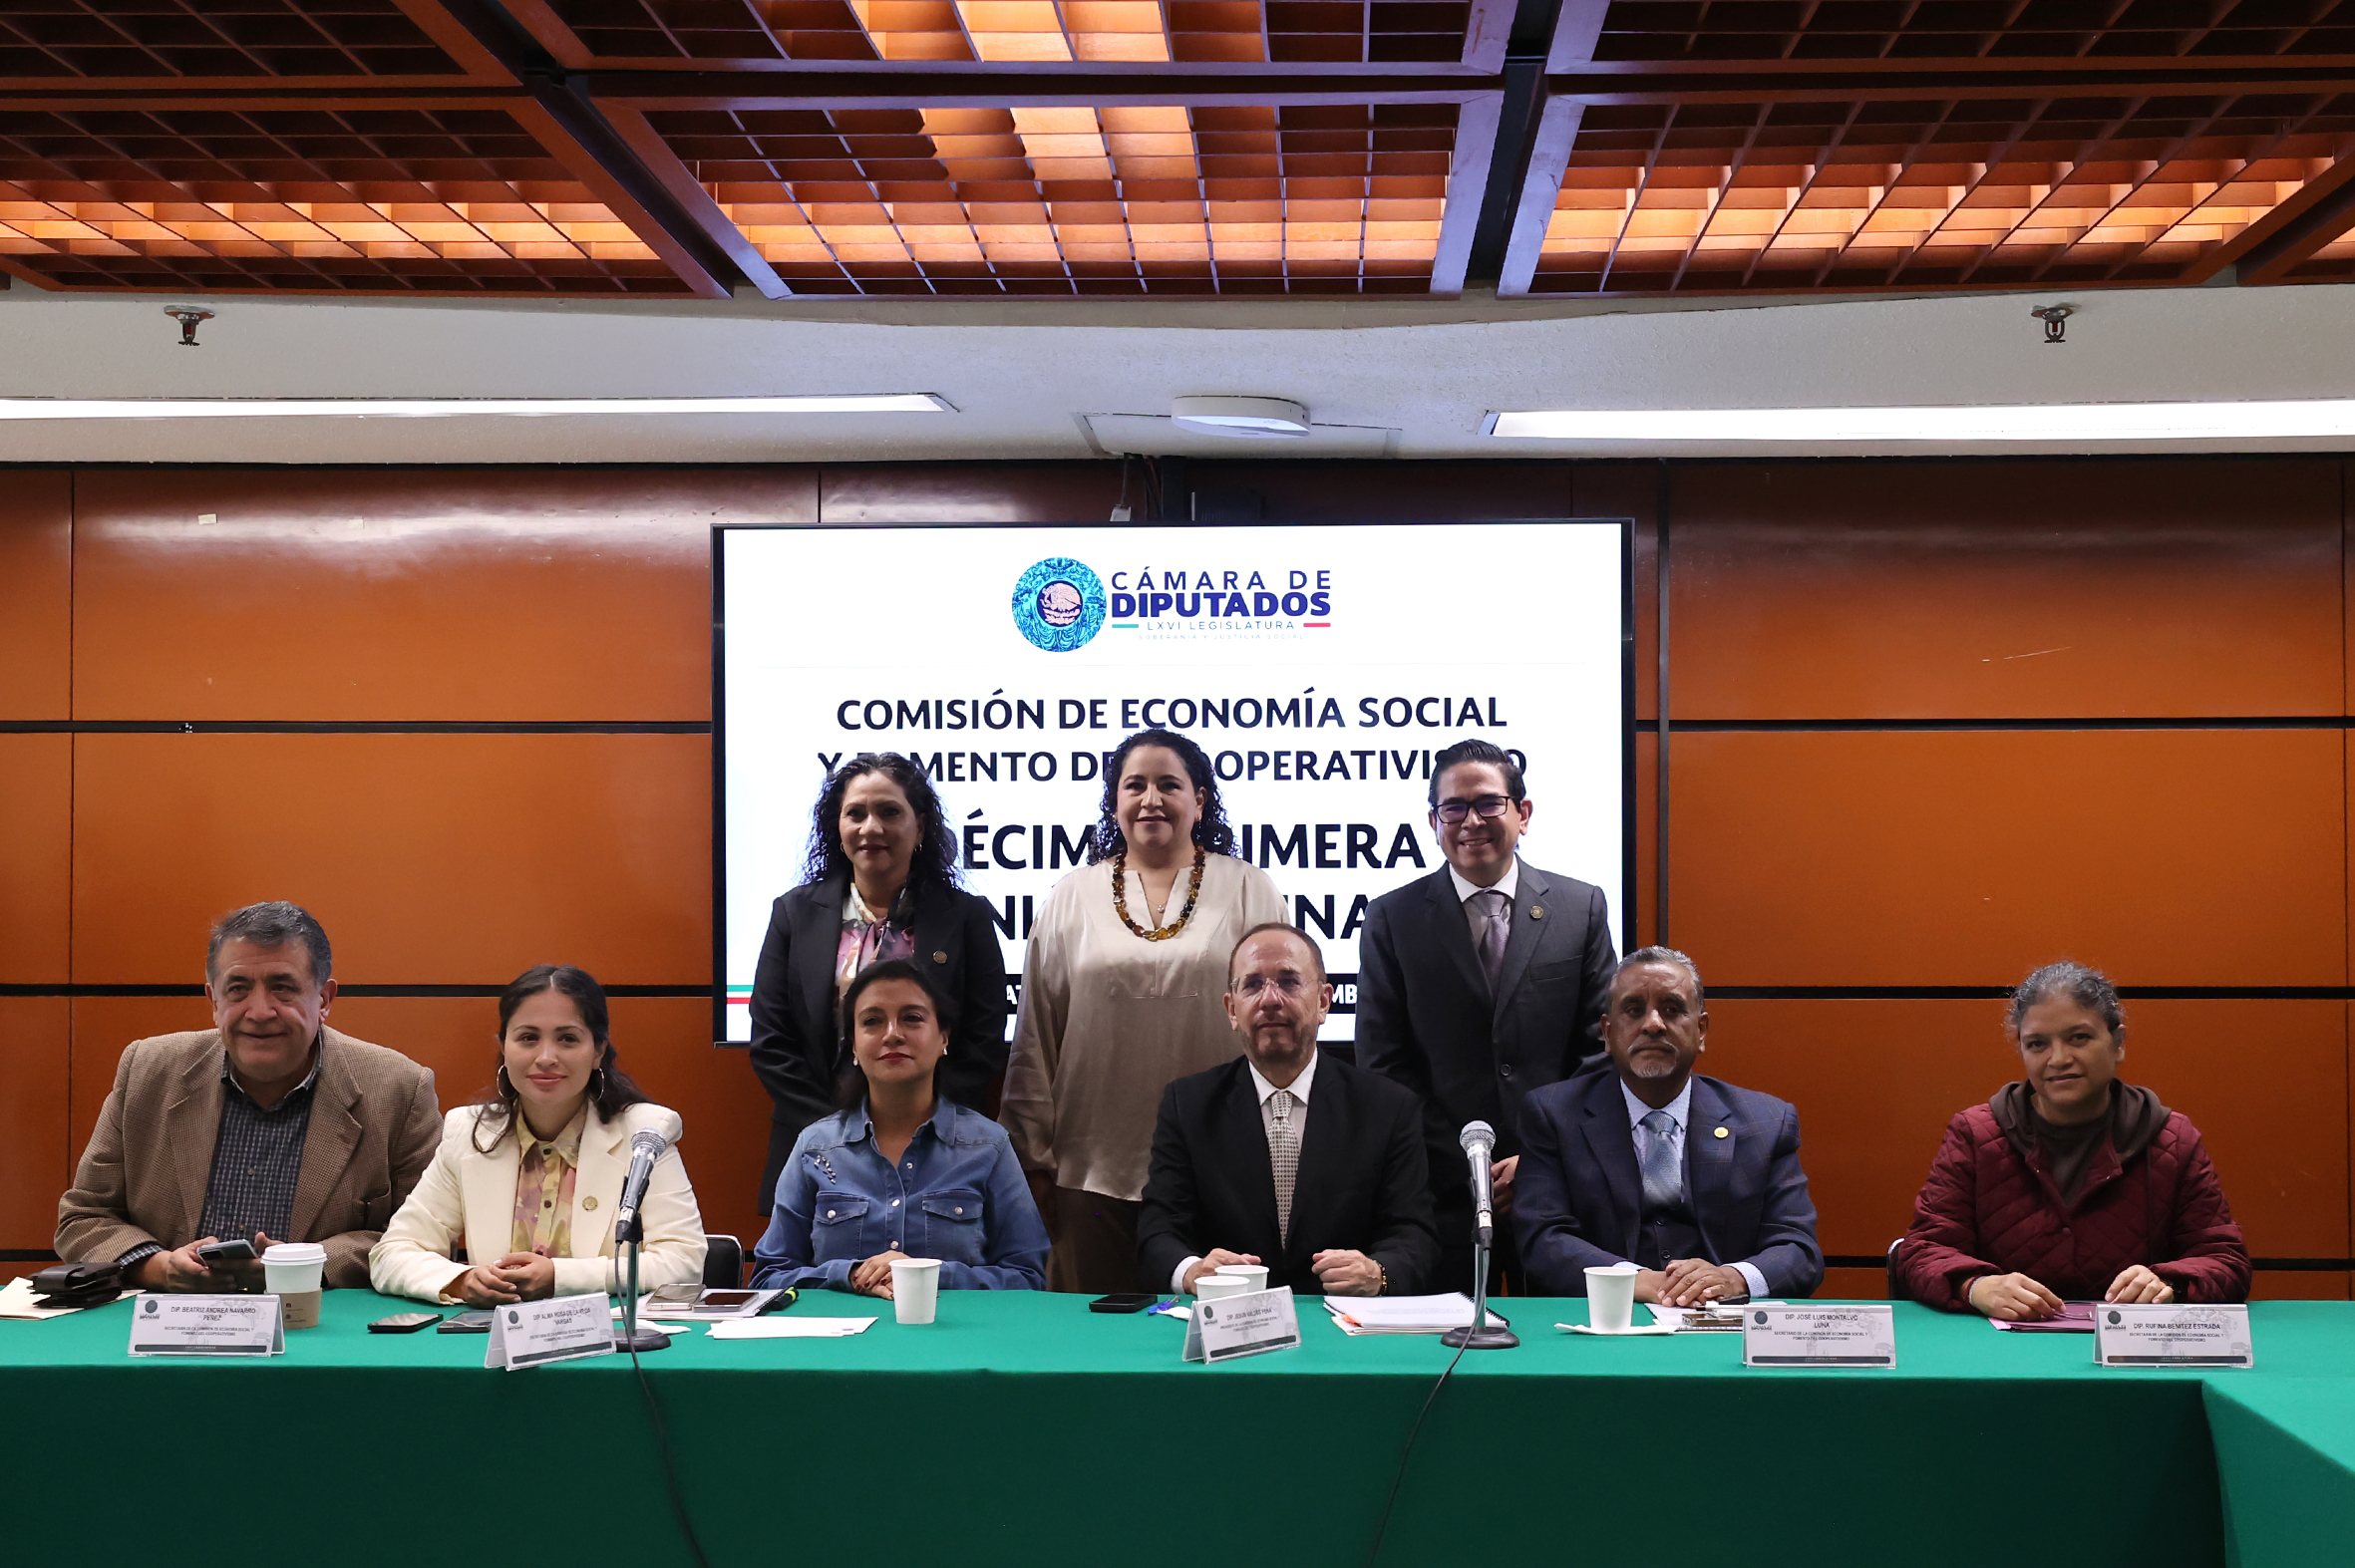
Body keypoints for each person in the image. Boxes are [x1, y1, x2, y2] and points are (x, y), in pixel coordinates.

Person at [1002, 728, 1289, 1294]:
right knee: (1094, 1332)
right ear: (1115, 802)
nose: (1150, 799)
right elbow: (1036, 1038)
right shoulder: (1070, 896)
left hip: (1226, 1164)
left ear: (1199, 800)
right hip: (1090, 1171)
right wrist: (1031, 1160)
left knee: (1217, 1329)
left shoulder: (1250, 889)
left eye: (1169, 785)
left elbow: (1282, 1026)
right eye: (1135, 785)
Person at [55, 901, 441, 1292]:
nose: (259, 1012)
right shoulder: (148, 1071)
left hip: (315, 1319)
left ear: (324, 999)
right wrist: (162, 1268)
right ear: (214, 1001)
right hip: (169, 1319)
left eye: (282, 988)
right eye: (238, 989)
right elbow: (84, 1217)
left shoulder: (399, 1089)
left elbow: (423, 1239)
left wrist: (300, 1266)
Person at [1356, 737, 1617, 1293]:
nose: (1471, 821)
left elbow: (1600, 1050)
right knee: (1445, 1341)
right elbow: (1383, 1064)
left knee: (1554, 1340)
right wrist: (1469, 1163)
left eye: (1488, 804)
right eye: (1454, 808)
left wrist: (1540, 1157)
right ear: (1434, 821)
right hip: (1438, 1192)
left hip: (1557, 1192)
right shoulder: (1391, 918)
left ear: (1523, 813)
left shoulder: (1582, 908)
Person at [1897, 961, 2250, 1317]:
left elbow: (2225, 1260)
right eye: (2037, 1044)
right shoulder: (1975, 1135)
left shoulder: (2173, 1140)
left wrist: (2168, 1284)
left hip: (2132, 1346)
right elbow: (1922, 1251)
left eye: (2079, 1038)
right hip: (2003, 1344)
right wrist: (1974, 1286)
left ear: (2118, 1043)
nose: (2059, 1059)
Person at [748, 754, 1009, 1217]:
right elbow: (772, 1042)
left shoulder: (966, 917)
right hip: (813, 1150)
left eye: (889, 812)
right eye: (856, 813)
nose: (871, 827)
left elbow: (982, 1041)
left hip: (941, 1156)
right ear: (838, 827)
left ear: (920, 826)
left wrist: (920, 1128)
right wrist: (837, 1134)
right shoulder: (793, 914)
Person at [372, 965, 706, 1303]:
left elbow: (684, 1263)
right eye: (528, 1038)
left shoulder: (644, 1134)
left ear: (598, 1051)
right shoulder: (469, 1132)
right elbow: (392, 1252)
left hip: (608, 1333)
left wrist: (560, 1278)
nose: (546, 1058)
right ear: (504, 1047)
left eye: (567, 1039)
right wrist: (462, 1280)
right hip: (494, 1333)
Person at [1138, 925, 1438, 1298]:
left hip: (1344, 1320)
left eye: (1289, 982)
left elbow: (1415, 1235)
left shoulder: (1387, 1106)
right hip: (1228, 1318)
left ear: (1324, 1002)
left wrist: (1378, 1273)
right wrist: (1192, 1272)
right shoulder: (1189, 1105)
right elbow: (1158, 1230)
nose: (1270, 999)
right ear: (1232, 1009)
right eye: (1252, 985)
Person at [1515, 946, 1823, 1303]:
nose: (1653, 1024)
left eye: (1672, 1009)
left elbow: (1798, 1249)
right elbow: (1543, 1239)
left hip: (1720, 1320)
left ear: (1701, 1030)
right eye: (1634, 1010)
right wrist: (1637, 1281)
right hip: (1605, 1321)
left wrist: (1732, 1278)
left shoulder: (1765, 1122)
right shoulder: (1554, 1114)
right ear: (1608, 1033)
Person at [753, 959, 1049, 1295]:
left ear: (944, 1037)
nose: (893, 1034)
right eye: (872, 1021)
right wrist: (849, 1276)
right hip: (843, 1331)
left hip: (954, 1329)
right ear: (853, 1045)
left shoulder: (988, 1146)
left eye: (912, 1018)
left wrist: (926, 1275)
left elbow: (1028, 1278)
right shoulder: (815, 1148)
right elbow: (768, 1277)